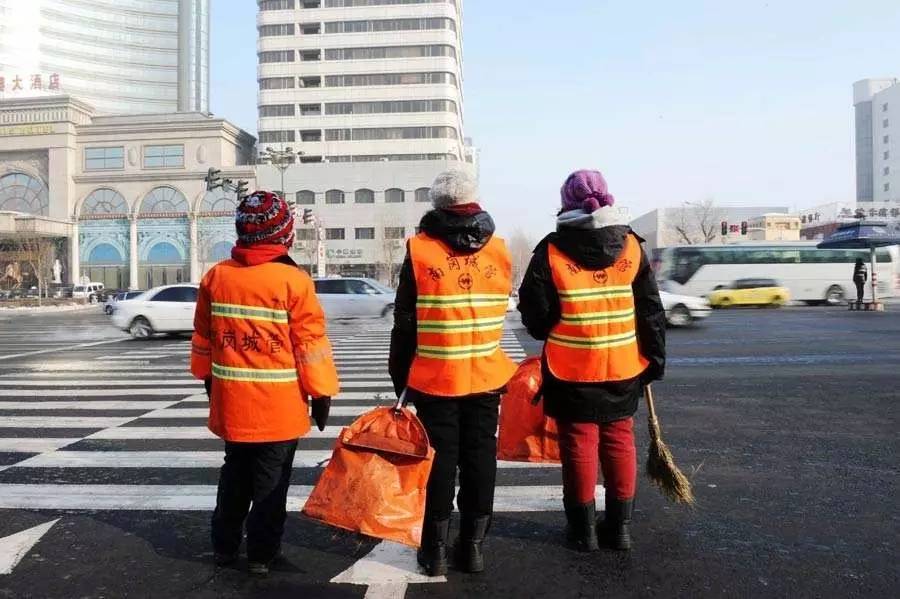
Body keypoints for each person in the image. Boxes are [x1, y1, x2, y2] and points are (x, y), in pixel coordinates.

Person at [190, 191, 339, 576]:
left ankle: (224, 546)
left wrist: (207, 378)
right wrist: (321, 393)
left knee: (235, 476)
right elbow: (310, 346)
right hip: (280, 408)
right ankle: (261, 554)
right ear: (283, 233)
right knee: (271, 486)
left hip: (232, 404)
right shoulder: (293, 281)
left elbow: (203, 336)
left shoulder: (216, 277)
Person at [518, 170, 666, 552]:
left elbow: (535, 317)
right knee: (619, 439)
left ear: (565, 203)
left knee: (578, 443)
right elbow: (650, 309)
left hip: (570, 368)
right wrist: (655, 359)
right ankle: (619, 529)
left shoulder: (550, 250)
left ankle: (582, 532)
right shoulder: (632, 246)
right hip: (622, 365)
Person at [389, 170, 517, 576]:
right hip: (484, 373)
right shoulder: (498, 249)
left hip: (435, 375)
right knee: (480, 456)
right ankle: (473, 547)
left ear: (436, 203)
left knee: (440, 461)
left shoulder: (420, 250)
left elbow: (405, 321)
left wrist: (401, 381)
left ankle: (435, 550)